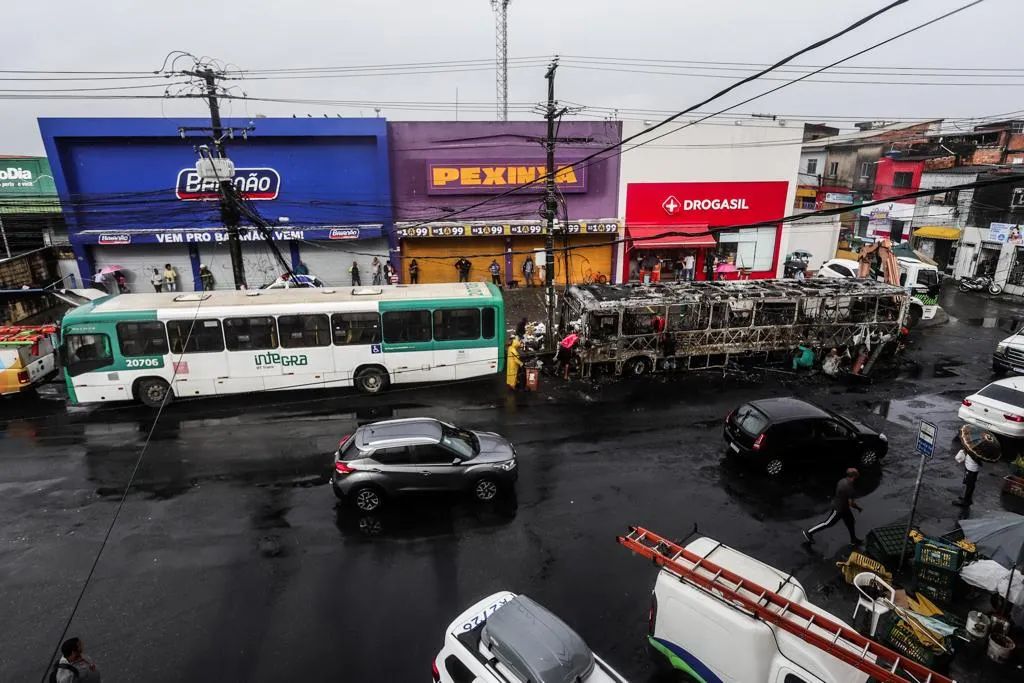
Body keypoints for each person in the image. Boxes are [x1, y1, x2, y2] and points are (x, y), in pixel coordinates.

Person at [803, 468, 863, 546]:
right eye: (857, 473)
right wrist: (858, 508)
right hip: (839, 508)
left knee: (850, 522)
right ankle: (809, 532)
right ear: (854, 476)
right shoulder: (849, 488)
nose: (858, 474)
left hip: (843, 507)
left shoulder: (842, 481)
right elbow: (852, 503)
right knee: (828, 523)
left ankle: (853, 539)